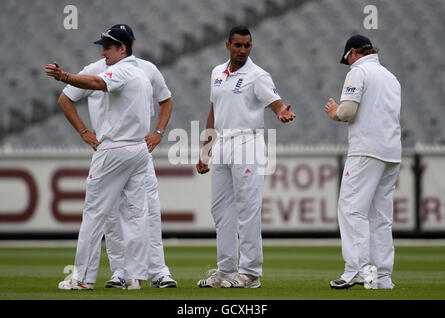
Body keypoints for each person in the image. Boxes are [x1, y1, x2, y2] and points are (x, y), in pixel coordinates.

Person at [59, 24, 177, 290]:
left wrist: (65, 76)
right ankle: (131, 277)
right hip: (137, 149)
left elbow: (99, 83)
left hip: (113, 148)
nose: (103, 53)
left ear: (123, 48)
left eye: (108, 47)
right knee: (136, 214)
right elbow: (71, 97)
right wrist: (84, 131)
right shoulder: (138, 72)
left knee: (96, 213)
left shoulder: (121, 70)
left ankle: (82, 279)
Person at [196, 26, 295, 288]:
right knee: (220, 210)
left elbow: (276, 102)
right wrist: (206, 150)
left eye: (247, 46)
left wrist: (281, 112)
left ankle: (250, 272)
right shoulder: (217, 72)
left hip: (247, 142)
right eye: (238, 45)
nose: (242, 50)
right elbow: (213, 111)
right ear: (227, 45)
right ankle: (226, 271)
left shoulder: (258, 75)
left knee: (247, 208)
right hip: (223, 143)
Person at [324, 35, 402, 290]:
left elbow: (348, 111)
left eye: (347, 60)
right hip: (391, 152)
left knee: (351, 208)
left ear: (354, 52)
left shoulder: (359, 71)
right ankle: (381, 278)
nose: (347, 65)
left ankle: (357, 270)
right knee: (380, 216)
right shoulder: (390, 77)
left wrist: (335, 112)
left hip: (366, 150)